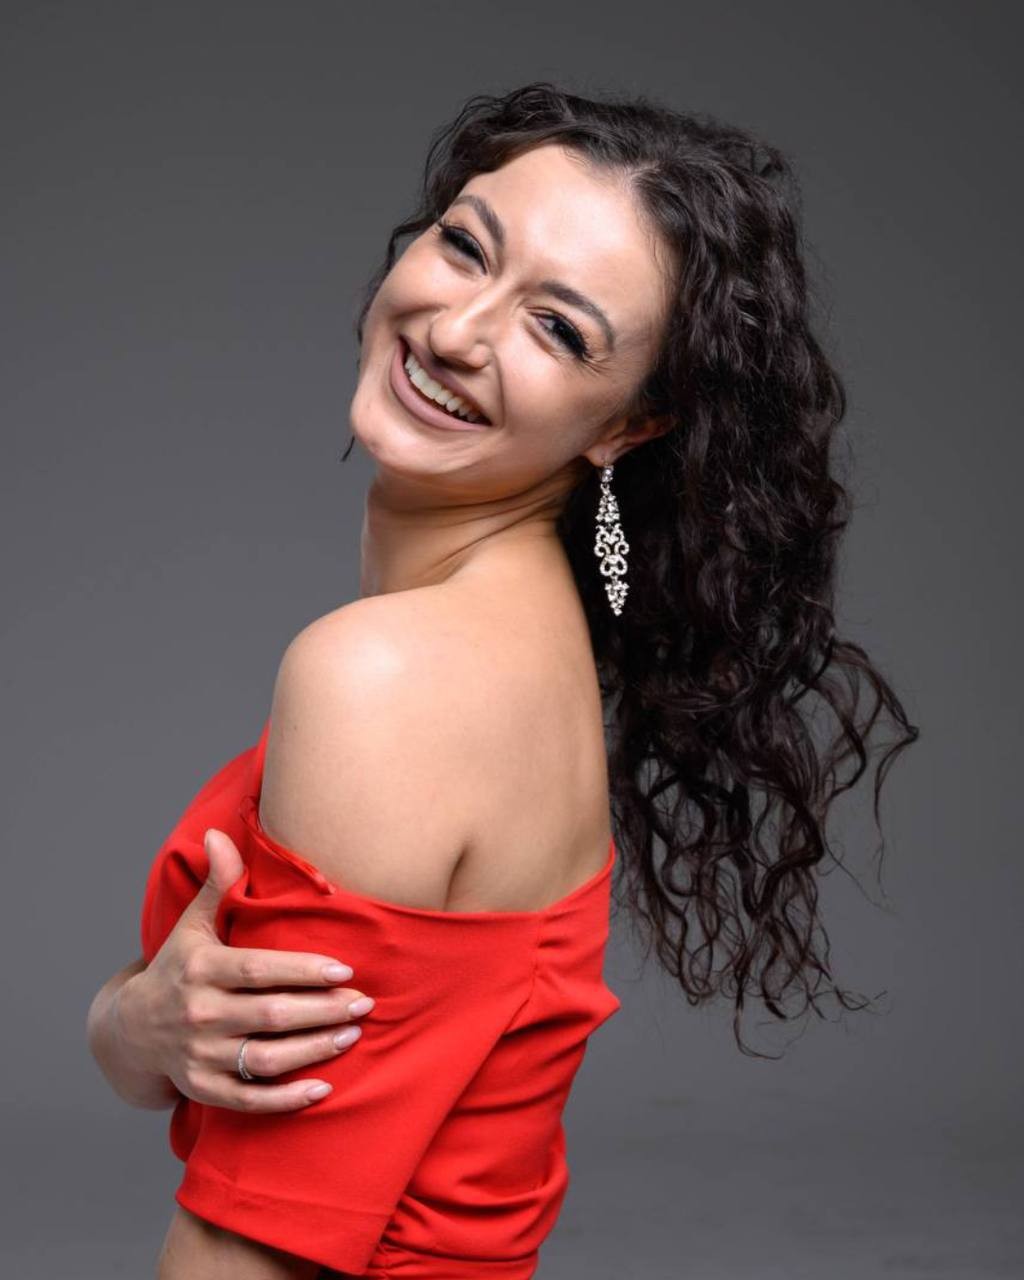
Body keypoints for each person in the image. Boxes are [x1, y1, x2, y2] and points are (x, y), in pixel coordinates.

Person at [86, 81, 919, 1277]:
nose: (457, 331)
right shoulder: (522, 641)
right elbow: (188, 1062)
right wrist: (136, 1020)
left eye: (558, 330)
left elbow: (258, 1241)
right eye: (467, 246)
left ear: (627, 426)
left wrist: (133, 1031)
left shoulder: (391, 676)